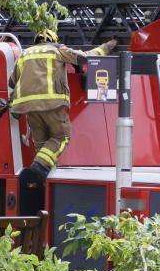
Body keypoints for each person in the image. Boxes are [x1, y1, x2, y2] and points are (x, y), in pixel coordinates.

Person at [8, 29, 117, 178]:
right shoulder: (57, 50)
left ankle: (42, 177)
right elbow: (85, 58)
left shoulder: (24, 54)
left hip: (28, 108)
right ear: (54, 40)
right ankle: (40, 165)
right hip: (51, 103)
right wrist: (106, 47)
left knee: (41, 144)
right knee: (62, 136)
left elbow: (11, 82)